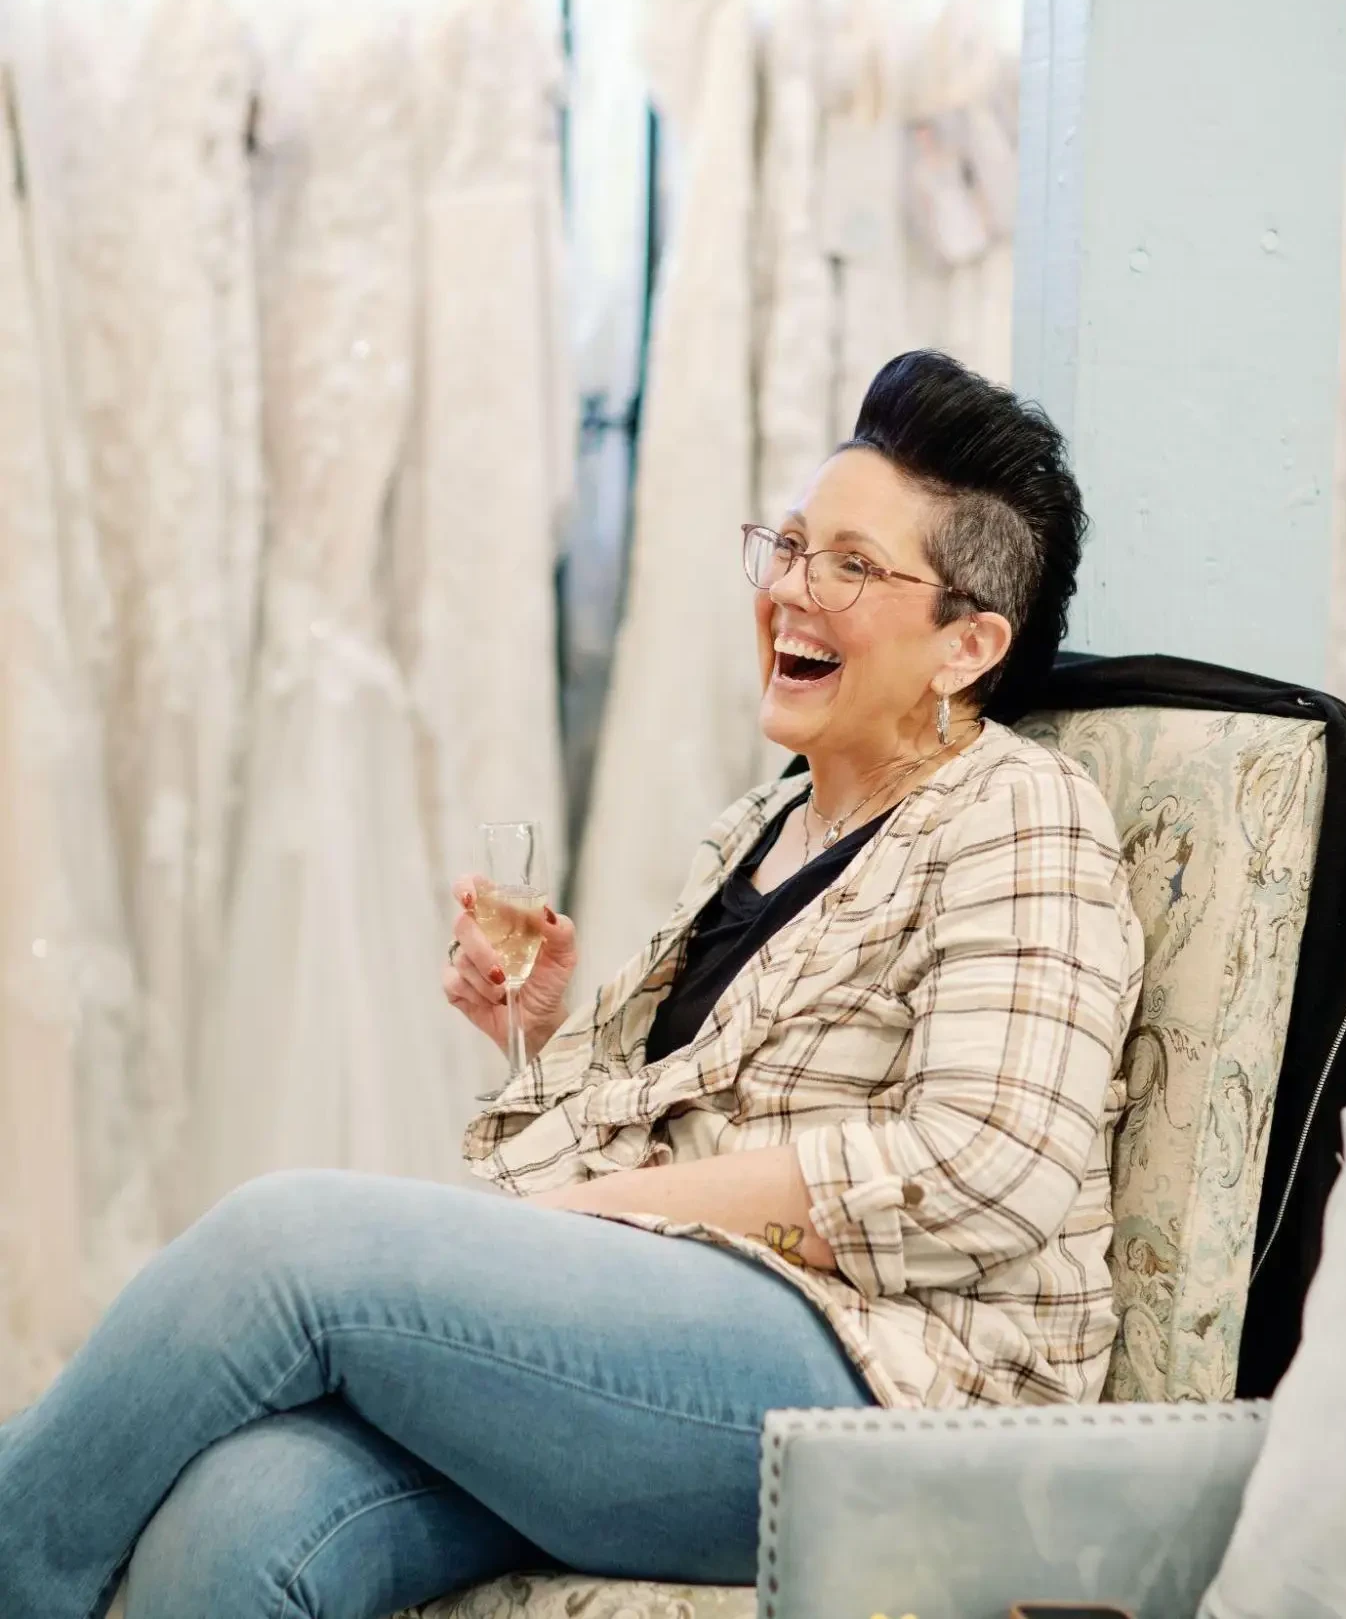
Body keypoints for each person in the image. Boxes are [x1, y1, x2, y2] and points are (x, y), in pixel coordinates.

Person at [0, 352, 1145, 1619]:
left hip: (887, 1395)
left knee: (288, 1245)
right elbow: (635, 1140)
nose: (788, 590)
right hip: (682, 1355)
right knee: (242, 1515)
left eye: (851, 567)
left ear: (965, 645)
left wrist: (610, 1201)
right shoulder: (757, 833)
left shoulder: (1022, 815)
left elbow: (987, 1162)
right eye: (788, 545)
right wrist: (535, 1038)